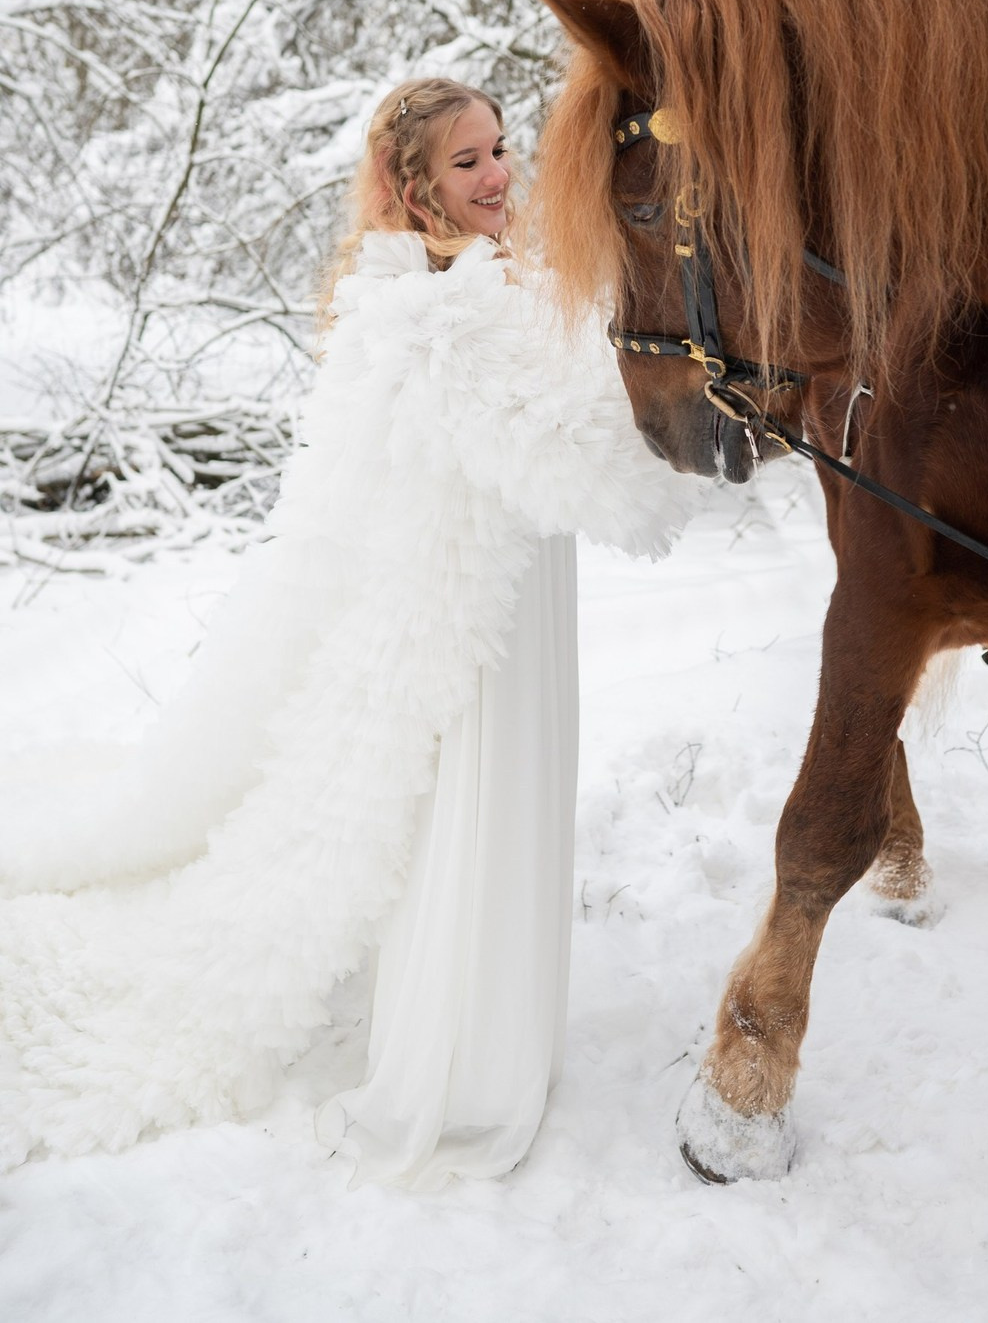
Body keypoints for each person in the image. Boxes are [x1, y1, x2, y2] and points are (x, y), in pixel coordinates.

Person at [0, 76, 688, 1185]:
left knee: (497, 803)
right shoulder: (425, 311)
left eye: (499, 149)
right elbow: (571, 463)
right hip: (466, 620)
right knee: (479, 810)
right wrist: (712, 431)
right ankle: (462, 1070)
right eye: (466, 162)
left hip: (514, 592)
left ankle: (480, 1023)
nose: (498, 174)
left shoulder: (500, 273)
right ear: (412, 188)